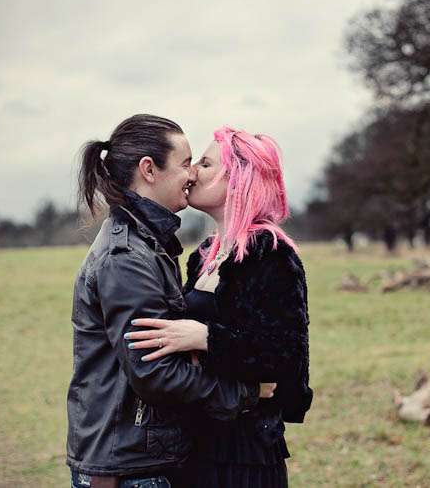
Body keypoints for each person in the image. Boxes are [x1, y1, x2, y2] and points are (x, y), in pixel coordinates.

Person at [67, 115, 275, 488]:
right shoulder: (127, 257)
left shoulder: (149, 243)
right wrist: (246, 391)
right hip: (130, 468)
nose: (193, 174)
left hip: (139, 459)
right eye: (185, 163)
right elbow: (155, 373)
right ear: (149, 170)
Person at [125, 126, 313, 488]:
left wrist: (206, 337)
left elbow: (285, 358)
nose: (192, 172)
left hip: (244, 454)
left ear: (238, 180)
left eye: (206, 164)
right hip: (195, 442)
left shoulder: (271, 254)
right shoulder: (203, 256)